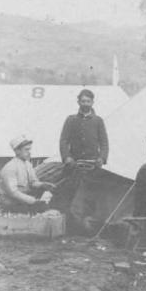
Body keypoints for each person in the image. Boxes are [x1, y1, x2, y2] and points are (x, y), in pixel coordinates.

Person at [57, 89, 109, 233]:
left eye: (88, 101)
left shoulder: (98, 121)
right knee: (71, 194)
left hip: (93, 166)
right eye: (83, 101)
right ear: (78, 101)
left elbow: (104, 142)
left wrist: (102, 158)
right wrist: (67, 157)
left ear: (93, 102)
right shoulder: (71, 119)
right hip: (75, 164)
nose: (85, 104)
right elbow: (63, 140)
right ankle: (71, 226)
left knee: (92, 196)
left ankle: (89, 227)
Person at [0, 135, 55, 213]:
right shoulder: (10, 168)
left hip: (25, 201)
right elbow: (13, 193)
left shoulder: (28, 165)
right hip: (12, 204)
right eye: (26, 149)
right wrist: (33, 201)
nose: (29, 152)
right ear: (17, 151)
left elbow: (33, 182)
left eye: (30, 149)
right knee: (41, 210)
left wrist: (43, 185)